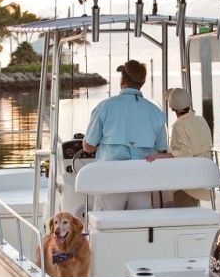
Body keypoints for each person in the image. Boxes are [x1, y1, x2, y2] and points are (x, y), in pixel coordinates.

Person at [82, 59, 168, 210]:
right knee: (139, 223)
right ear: (143, 82)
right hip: (142, 180)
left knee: (108, 222)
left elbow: (88, 147)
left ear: (122, 79)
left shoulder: (105, 106)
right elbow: (162, 150)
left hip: (110, 179)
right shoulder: (156, 112)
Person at [145, 88, 213, 207]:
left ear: (172, 108)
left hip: (188, 181)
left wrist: (160, 155)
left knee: (183, 210)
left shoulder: (179, 125)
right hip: (205, 176)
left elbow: (185, 153)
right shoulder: (201, 120)